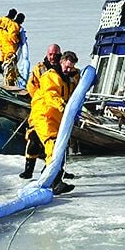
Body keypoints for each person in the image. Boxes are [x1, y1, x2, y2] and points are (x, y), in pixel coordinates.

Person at [27, 51, 80, 195]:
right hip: (43, 115)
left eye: (71, 67)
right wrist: (62, 105)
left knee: (61, 145)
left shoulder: (70, 76)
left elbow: (78, 83)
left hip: (57, 117)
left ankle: (48, 173)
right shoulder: (51, 76)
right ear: (61, 62)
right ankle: (55, 183)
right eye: (66, 67)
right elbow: (51, 94)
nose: (68, 70)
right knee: (52, 144)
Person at [19, 44, 62, 179]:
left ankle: (56, 170)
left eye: (56, 54)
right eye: (51, 54)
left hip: (56, 113)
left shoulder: (62, 70)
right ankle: (28, 170)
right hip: (41, 111)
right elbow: (32, 87)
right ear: (47, 54)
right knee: (34, 140)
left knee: (58, 143)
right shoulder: (40, 69)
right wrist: (41, 99)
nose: (53, 57)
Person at [0, 8, 17, 73]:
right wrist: (16, 41)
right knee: (9, 54)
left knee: (2, 53)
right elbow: (11, 35)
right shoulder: (11, 23)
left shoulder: (1, 19)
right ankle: (7, 69)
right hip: (6, 41)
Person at [2, 13, 23, 87]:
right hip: (10, 49)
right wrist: (17, 40)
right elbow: (12, 35)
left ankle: (11, 81)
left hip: (8, 47)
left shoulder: (13, 24)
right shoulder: (14, 25)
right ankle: (9, 82)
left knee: (12, 66)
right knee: (10, 65)